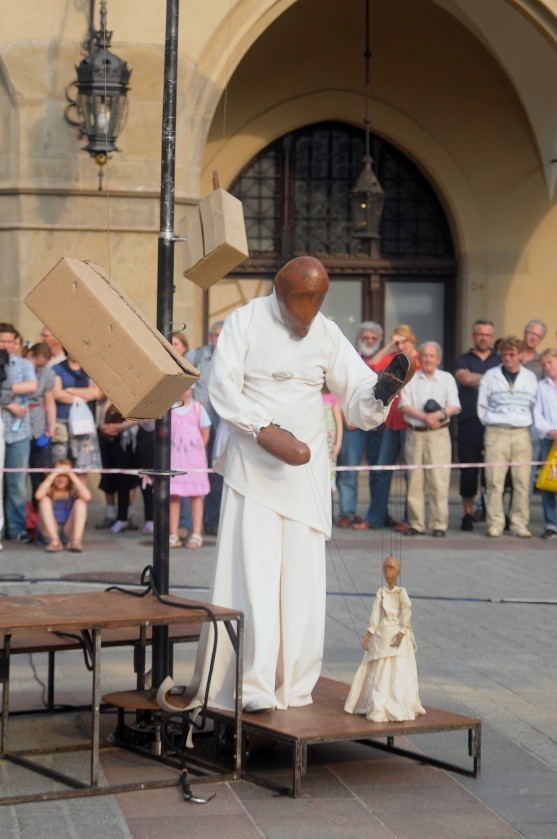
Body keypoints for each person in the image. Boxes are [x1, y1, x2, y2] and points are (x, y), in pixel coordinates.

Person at [177, 256, 410, 714]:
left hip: (305, 467)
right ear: (279, 295)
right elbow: (221, 388)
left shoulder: (325, 330)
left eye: (314, 304)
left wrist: (379, 393)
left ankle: (295, 683)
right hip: (256, 461)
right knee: (254, 574)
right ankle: (252, 682)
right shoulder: (243, 321)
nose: (305, 317)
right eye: (297, 305)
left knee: (302, 577)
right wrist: (263, 429)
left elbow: (356, 390)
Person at [344, 554, 425, 723]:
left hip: (396, 632)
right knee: (379, 670)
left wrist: (402, 631)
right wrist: (370, 632)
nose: (387, 571)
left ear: (398, 571)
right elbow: (375, 614)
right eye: (385, 568)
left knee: (398, 669)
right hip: (383, 633)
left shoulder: (402, 593)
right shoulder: (381, 592)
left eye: (391, 568)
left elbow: (406, 611)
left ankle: (395, 703)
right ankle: (378, 703)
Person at [353, 324, 419, 531]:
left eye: (403, 342)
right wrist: (391, 344)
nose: (400, 346)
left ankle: (411, 520)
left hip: (410, 421)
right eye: (397, 342)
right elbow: (372, 364)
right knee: (382, 471)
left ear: (412, 341)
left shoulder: (419, 358)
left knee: (413, 474)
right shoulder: (395, 359)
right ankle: (375, 518)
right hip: (391, 422)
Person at [478, 336, 538, 538]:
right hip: (496, 431)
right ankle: (495, 522)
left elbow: (535, 407)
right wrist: (492, 422)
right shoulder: (490, 375)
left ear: (521, 355)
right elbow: (482, 406)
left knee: (522, 481)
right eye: (504, 355)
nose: (508, 358)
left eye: (512, 355)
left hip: (522, 433)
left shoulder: (530, 377)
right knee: (495, 480)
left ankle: (519, 523)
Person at [400, 341, 461, 537]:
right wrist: (424, 417)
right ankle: (417, 524)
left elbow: (455, 405)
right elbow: (404, 404)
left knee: (439, 481)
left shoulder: (447, 378)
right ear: (420, 357)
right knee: (415, 481)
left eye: (432, 356)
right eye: (425, 355)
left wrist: (439, 415)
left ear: (438, 359)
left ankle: (438, 524)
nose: (428, 359)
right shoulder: (411, 378)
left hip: (439, 435)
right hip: (415, 434)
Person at [335, 322, 384, 528]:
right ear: (359, 338)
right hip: (352, 423)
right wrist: (346, 415)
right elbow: (337, 388)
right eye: (366, 338)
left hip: (377, 425)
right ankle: (347, 512)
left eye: (373, 338)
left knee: (378, 471)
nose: (369, 341)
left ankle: (376, 514)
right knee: (349, 469)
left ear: (379, 340)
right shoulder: (349, 357)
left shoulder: (386, 360)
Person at [454, 320, 500, 531]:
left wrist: (478, 379)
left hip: (496, 423)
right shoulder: (463, 359)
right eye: (480, 334)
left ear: (492, 338)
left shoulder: (499, 359)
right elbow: (464, 379)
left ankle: (494, 514)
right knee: (469, 470)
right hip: (469, 422)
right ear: (474, 336)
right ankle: (468, 514)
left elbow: (473, 379)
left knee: (495, 472)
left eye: (488, 335)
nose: (484, 338)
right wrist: (494, 379)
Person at [185, 322, 224, 535]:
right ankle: (192, 523)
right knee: (197, 473)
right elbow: (181, 383)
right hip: (197, 425)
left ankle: (214, 521)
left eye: (223, 336)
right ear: (210, 336)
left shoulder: (233, 358)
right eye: (216, 335)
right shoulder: (196, 356)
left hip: (224, 425)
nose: (219, 339)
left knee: (218, 475)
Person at [0, 322, 37, 543]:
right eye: (1, 341)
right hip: (4, 423)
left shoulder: (22, 363)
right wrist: (9, 404)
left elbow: (31, 386)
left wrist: (3, 390)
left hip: (18, 432)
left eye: (8, 341)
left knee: (16, 482)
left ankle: (16, 528)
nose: (5, 345)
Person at [169, 385, 211, 549]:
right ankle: (172, 533)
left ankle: (196, 533)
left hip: (194, 462)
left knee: (196, 497)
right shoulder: (170, 409)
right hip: (175, 461)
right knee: (173, 497)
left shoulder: (198, 408)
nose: (184, 391)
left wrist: (197, 452)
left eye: (188, 388)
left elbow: (205, 433)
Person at [52, 353, 102, 473]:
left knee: (82, 469)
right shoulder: (57, 368)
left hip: (84, 425)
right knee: (60, 467)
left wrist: (71, 390)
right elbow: (57, 394)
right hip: (62, 423)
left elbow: (96, 393)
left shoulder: (91, 368)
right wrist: (84, 395)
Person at [35, 458, 91, 552]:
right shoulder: (48, 488)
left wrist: (71, 474)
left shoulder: (73, 490)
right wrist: (53, 474)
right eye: (58, 476)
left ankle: (76, 541)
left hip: (67, 530)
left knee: (81, 503)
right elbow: (38, 496)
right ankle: (54, 542)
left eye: (65, 476)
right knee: (44, 500)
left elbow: (87, 497)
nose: (61, 479)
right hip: (48, 531)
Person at [25, 342, 56, 503]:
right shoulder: (19, 368)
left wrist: (51, 426)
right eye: (36, 365)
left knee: (40, 472)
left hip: (38, 422)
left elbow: (49, 401)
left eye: (42, 366)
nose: (39, 369)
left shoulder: (48, 373)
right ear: (30, 356)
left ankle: (38, 513)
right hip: (19, 420)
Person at [533, 348, 557, 539]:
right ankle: (550, 523)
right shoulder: (541, 386)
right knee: (548, 483)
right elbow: (537, 414)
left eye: (550, 362)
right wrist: (550, 430)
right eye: (544, 364)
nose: (547, 367)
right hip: (549, 441)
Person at [322, 384, 343, 492]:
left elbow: (339, 422)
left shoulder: (332, 397)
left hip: (330, 437)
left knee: (331, 460)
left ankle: (331, 480)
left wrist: (338, 443)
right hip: (319, 437)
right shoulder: (314, 397)